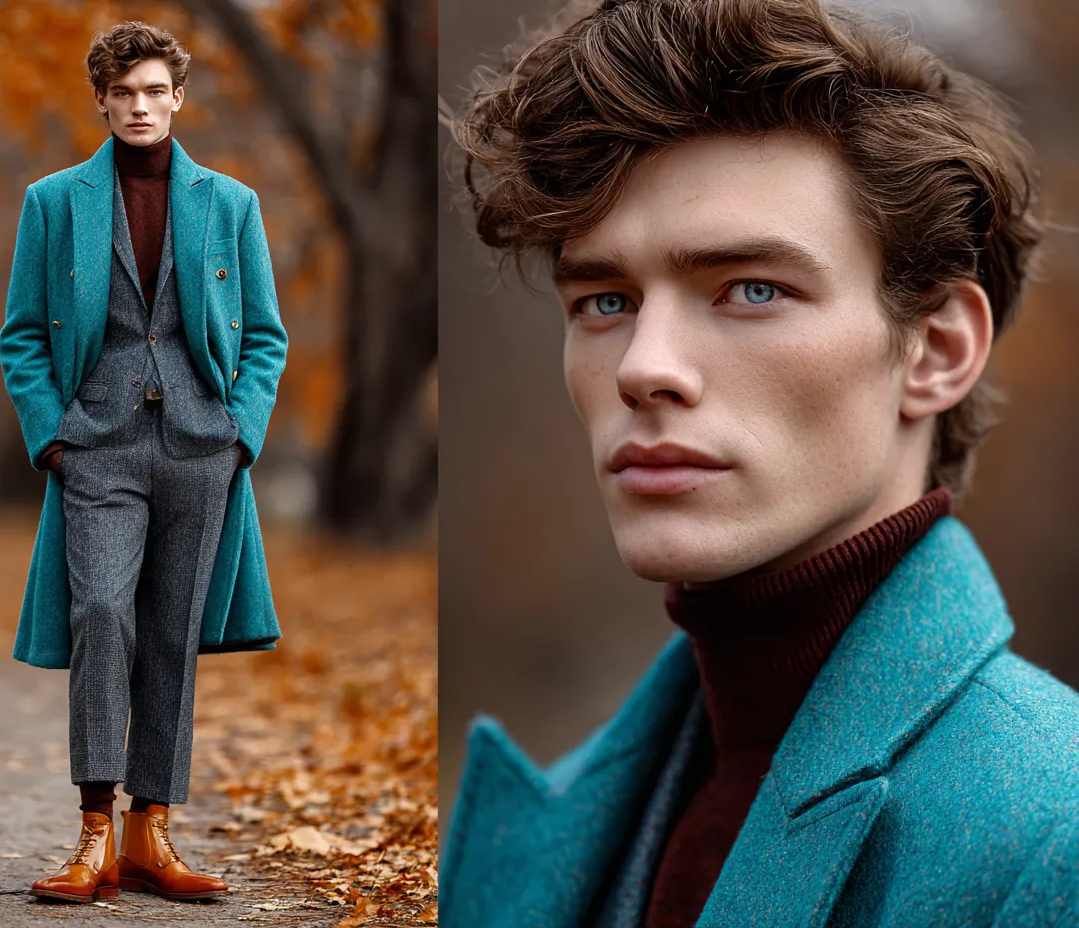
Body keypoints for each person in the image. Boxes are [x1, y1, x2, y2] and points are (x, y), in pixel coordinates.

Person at [441, 1, 1079, 925]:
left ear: (937, 350)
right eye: (606, 301)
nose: (645, 366)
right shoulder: (552, 818)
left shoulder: (1052, 830)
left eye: (751, 289)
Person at [0, 20, 287, 903]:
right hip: (97, 448)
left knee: (172, 634)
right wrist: (53, 437)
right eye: (124, 93)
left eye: (155, 91)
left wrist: (242, 433)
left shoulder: (231, 205)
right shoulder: (54, 202)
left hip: (203, 449)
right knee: (102, 614)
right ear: (102, 100)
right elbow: (20, 337)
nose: (139, 106)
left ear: (178, 98)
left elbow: (267, 339)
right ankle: (92, 830)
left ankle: (149, 833)